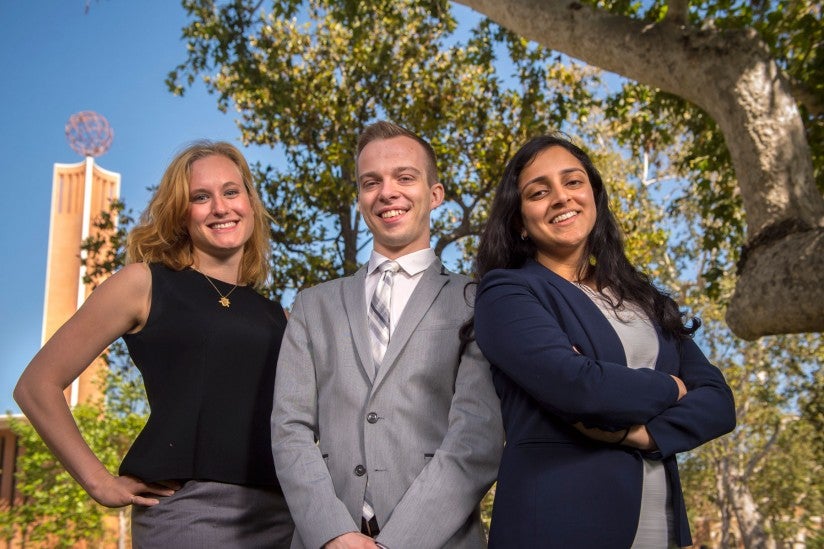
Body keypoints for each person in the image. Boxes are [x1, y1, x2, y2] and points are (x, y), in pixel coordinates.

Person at [14, 141, 294, 547]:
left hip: (282, 514)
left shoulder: (277, 315)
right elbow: (36, 385)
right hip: (191, 512)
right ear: (181, 213)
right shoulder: (143, 284)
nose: (220, 207)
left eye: (231, 192)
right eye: (201, 197)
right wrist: (97, 481)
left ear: (250, 202)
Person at [472, 134, 736, 548]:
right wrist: (673, 387)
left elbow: (720, 402)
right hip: (558, 527)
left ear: (594, 196)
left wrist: (641, 435)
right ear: (520, 221)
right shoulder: (507, 293)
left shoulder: (644, 299)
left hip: (661, 527)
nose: (561, 198)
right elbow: (580, 388)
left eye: (573, 182)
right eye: (539, 192)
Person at [272, 121, 503, 549]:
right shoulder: (312, 305)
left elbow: (477, 437)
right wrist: (333, 533)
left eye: (405, 177)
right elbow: (290, 429)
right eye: (371, 182)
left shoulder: (476, 301)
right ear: (361, 198)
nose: (387, 191)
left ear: (435, 194)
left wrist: (397, 543)